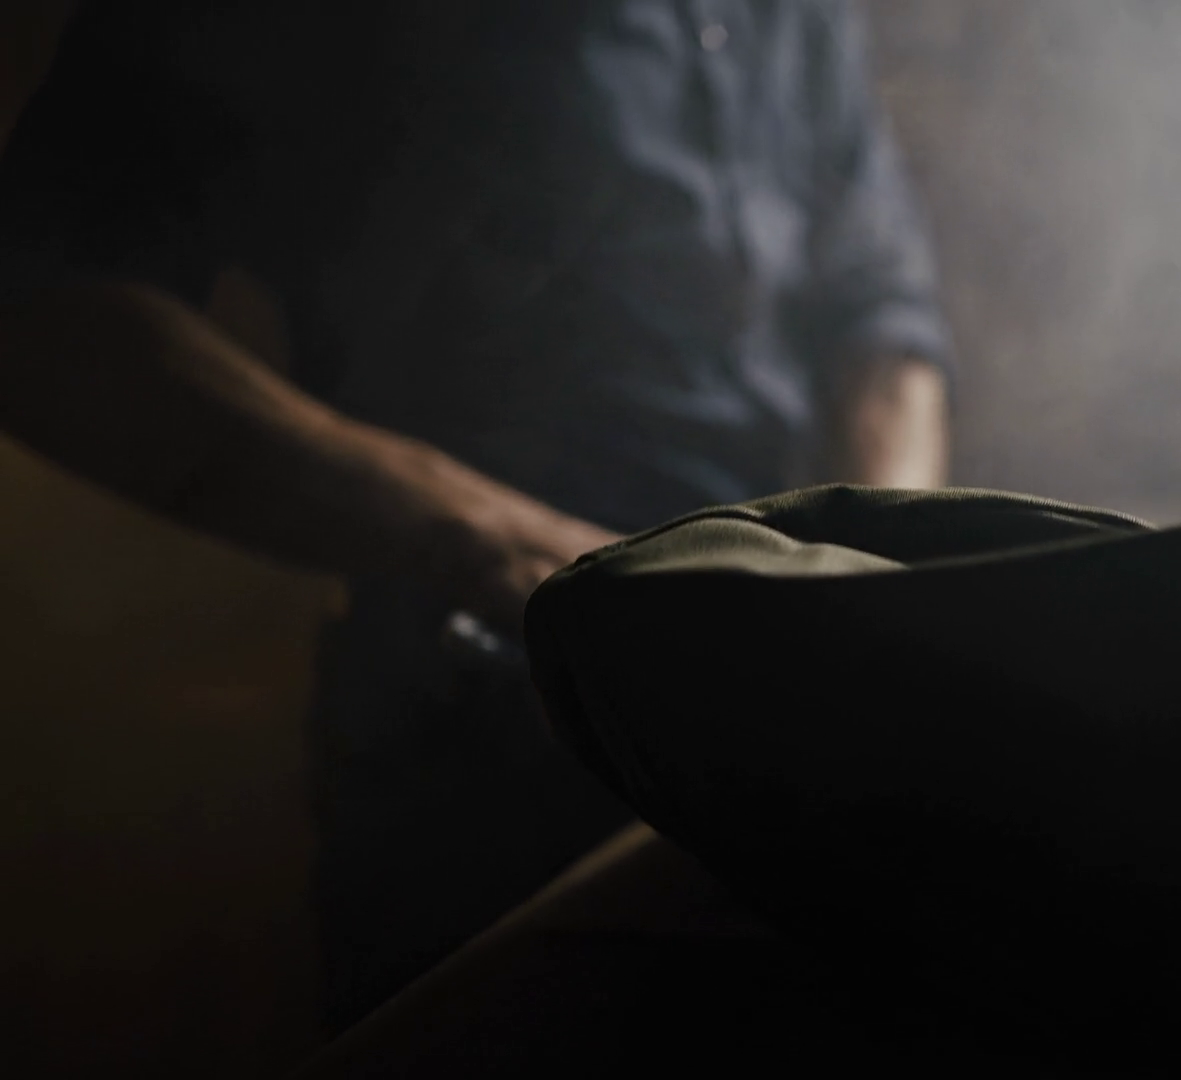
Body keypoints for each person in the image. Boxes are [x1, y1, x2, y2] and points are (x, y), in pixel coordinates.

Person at [0, 0, 953, 1032]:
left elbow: (882, 317)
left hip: (775, 735)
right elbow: (41, 314)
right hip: (482, 727)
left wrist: (857, 589)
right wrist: (529, 560)